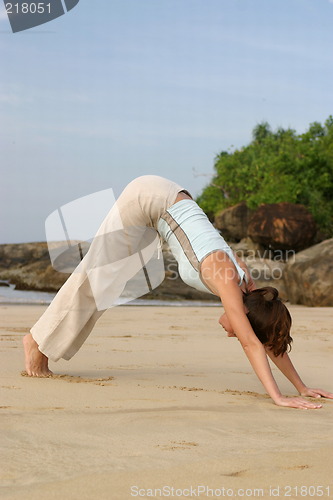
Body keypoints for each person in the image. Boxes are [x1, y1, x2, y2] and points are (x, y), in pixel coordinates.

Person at [23, 175, 333, 409]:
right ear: (245, 315)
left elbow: (263, 337)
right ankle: (36, 343)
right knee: (96, 275)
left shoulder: (246, 285)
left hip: (166, 202)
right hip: (150, 199)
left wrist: (301, 386)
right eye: (237, 330)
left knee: (109, 283)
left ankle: (42, 343)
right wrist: (278, 397)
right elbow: (252, 343)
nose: (231, 333)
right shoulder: (227, 280)